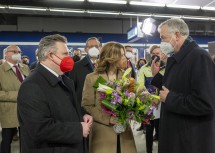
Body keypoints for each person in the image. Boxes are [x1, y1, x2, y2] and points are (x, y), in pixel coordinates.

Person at [17, 34, 93, 153]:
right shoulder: (32, 86)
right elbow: (39, 128)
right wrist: (78, 129)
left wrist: (81, 115)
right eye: (65, 54)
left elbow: (66, 109)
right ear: (51, 55)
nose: (70, 57)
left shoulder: (65, 80)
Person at [151, 18, 215, 153]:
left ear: (177, 35)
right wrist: (157, 78)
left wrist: (170, 98)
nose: (161, 43)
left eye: (163, 38)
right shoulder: (175, 58)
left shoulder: (199, 57)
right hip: (175, 135)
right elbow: (177, 85)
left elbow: (205, 103)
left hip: (189, 141)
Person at [82, 42, 137, 153]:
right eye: (122, 55)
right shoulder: (92, 78)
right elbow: (87, 105)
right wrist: (108, 119)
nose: (125, 58)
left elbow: (132, 98)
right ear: (112, 57)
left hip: (124, 133)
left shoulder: (126, 76)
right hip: (102, 134)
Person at [0, 45, 30, 153]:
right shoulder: (1, 70)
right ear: (7, 53)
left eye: (19, 51)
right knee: (6, 140)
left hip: (26, 110)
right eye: (14, 51)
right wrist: (17, 95)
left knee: (27, 140)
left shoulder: (25, 68)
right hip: (9, 111)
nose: (18, 53)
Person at [137, 45, 165, 153]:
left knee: (161, 132)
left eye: (158, 53)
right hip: (148, 104)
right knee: (149, 131)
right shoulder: (144, 69)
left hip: (162, 104)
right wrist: (150, 99)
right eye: (154, 53)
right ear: (150, 55)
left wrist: (159, 99)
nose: (156, 55)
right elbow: (140, 87)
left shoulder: (167, 68)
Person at [69, 37, 101, 108]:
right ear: (85, 49)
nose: (94, 49)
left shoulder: (104, 66)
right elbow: (71, 90)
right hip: (83, 110)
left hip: (100, 110)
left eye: (96, 46)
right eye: (91, 46)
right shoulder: (76, 67)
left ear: (100, 48)